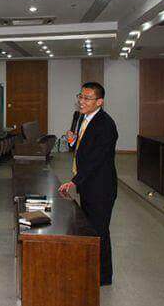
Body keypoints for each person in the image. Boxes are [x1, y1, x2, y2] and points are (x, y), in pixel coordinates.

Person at [59, 82, 118, 286]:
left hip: (101, 188)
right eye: (80, 97)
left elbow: (96, 159)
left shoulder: (105, 125)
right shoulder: (83, 118)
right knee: (90, 230)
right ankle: (91, 270)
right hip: (89, 185)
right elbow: (83, 151)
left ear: (99, 102)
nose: (81, 102)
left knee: (99, 232)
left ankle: (103, 277)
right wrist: (72, 142)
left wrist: (74, 181)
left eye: (87, 98)